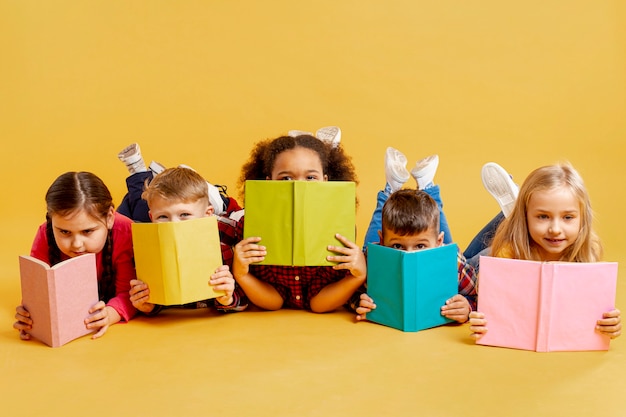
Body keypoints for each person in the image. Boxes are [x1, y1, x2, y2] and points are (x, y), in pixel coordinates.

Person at [468, 162, 621, 339]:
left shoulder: (588, 249)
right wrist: (479, 315)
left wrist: (610, 323)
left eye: (568, 217)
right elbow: (492, 303)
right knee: (456, 266)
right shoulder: (506, 253)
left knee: (514, 227)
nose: (555, 229)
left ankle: (518, 208)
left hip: (522, 233)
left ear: (582, 219)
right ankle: (431, 191)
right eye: (543, 216)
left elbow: (586, 305)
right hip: (478, 268)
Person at [232, 132, 367, 313]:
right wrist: (241, 273)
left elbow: (318, 304)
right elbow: (275, 301)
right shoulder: (249, 227)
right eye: (286, 178)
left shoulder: (340, 228)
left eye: (310, 178)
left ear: (325, 181)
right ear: (269, 182)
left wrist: (358, 276)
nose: (299, 187)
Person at [13, 172, 137, 340]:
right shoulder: (45, 233)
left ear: (109, 218)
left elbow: (130, 293)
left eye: (87, 231)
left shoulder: (126, 232)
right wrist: (31, 316)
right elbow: (38, 292)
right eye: (64, 232)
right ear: (51, 221)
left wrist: (110, 313)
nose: (77, 244)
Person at [127, 167, 247, 315]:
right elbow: (150, 295)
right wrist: (148, 305)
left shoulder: (227, 232)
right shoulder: (146, 242)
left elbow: (246, 295)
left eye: (184, 214)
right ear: (152, 217)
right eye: (163, 217)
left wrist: (228, 298)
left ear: (207, 214)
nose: (174, 224)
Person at [354, 188, 478, 324]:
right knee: (369, 242)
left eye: (420, 246)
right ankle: (390, 187)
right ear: (383, 242)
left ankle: (424, 184)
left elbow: (476, 296)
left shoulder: (453, 261)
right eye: (397, 246)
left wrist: (468, 308)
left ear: (439, 242)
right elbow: (349, 291)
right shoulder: (371, 259)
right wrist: (358, 301)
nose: (409, 253)